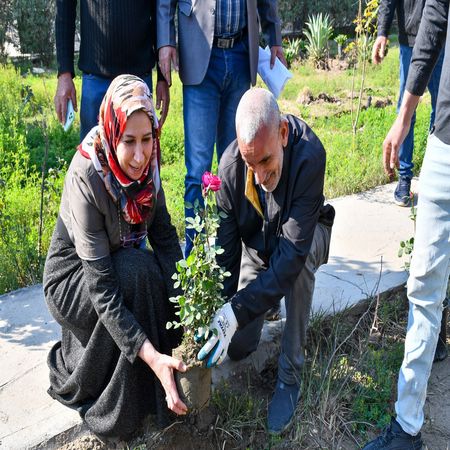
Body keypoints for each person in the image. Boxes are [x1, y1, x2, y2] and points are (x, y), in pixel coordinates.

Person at [44, 75, 187, 439]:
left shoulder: (148, 167)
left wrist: (187, 305)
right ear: (111, 132)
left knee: (151, 271)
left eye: (147, 140)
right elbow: (103, 289)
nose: (140, 156)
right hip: (72, 279)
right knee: (137, 272)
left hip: (116, 263)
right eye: (128, 141)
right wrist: (151, 354)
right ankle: (119, 406)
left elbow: (166, 240)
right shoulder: (87, 174)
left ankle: (154, 386)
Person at [197, 88, 335, 434]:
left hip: (305, 239)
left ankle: (290, 375)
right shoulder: (230, 171)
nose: (259, 175)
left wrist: (240, 309)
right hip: (260, 252)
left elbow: (291, 257)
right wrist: (223, 313)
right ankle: (266, 302)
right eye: (250, 163)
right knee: (240, 347)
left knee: (296, 270)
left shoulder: (309, 156)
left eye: (266, 161)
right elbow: (227, 257)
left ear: (283, 135)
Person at [363, 0, 450, 447]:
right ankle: (408, 426)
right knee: (423, 282)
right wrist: (404, 113)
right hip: (446, 137)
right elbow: (435, 15)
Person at [156, 0, 286, 256]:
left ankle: (229, 259)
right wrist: (165, 41)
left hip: (240, 54)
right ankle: (195, 266)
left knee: (236, 168)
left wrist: (274, 37)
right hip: (200, 52)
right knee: (197, 172)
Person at [54, 0, 169, 141]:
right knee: (93, 158)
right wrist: (64, 73)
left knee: (140, 158)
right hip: (95, 81)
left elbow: (159, 11)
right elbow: (64, 12)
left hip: (139, 80)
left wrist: (162, 77)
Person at [371, 0, 444, 207]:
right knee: (406, 112)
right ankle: (404, 178)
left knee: (442, 109)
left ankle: (434, 173)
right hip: (410, 40)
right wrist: (382, 32)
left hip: (441, 35)